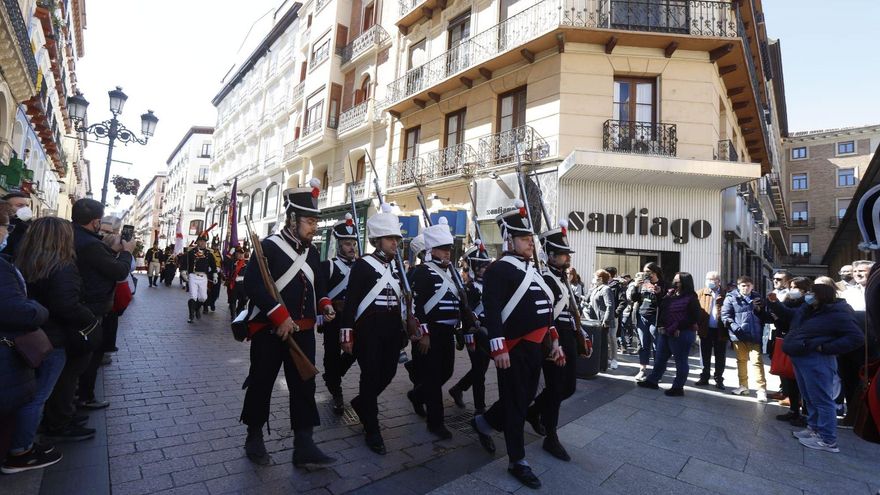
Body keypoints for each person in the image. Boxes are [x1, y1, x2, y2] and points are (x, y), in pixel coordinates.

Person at [240, 180, 336, 467]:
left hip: (303, 331)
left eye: (315, 221)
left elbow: (319, 284)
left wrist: (324, 304)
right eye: (309, 221)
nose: (314, 227)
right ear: (292, 220)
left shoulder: (313, 252)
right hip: (270, 331)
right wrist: (279, 316)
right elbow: (253, 286)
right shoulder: (268, 247)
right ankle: (254, 436)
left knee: (305, 387)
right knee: (261, 383)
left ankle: (304, 445)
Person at [470, 200, 560, 489]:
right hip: (512, 348)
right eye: (524, 239)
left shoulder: (532, 270)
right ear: (509, 239)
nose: (530, 244)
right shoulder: (499, 270)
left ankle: (483, 423)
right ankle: (517, 460)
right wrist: (498, 348)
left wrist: (553, 341)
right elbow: (492, 310)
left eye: (530, 239)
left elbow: (546, 309)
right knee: (516, 405)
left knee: (523, 398)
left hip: (534, 348)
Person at [45, 200, 133, 440]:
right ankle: (60, 421)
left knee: (71, 367)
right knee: (73, 368)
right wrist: (127, 252)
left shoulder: (70, 236)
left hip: (76, 306)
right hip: (84, 309)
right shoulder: (90, 244)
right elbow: (118, 272)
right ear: (95, 221)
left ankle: (65, 412)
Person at [340, 203, 406, 455]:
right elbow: (352, 301)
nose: (394, 243)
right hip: (368, 330)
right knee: (369, 376)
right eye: (390, 238)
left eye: (396, 238)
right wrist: (346, 333)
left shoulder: (397, 267)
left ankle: (361, 404)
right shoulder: (363, 265)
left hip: (391, 329)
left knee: (387, 373)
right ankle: (372, 428)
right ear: (377, 240)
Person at [769, 284, 862, 453]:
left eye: (812, 292)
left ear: (822, 296)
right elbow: (791, 315)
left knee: (822, 399)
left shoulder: (838, 313)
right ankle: (814, 429)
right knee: (809, 397)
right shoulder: (807, 308)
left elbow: (856, 337)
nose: (808, 295)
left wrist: (825, 348)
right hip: (800, 357)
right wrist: (774, 303)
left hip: (818, 360)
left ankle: (828, 439)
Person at [0, 201, 53, 473]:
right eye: (5, 225)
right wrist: (37, 309)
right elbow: (16, 309)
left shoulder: (12, 257)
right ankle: (20, 451)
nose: (8, 231)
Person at [527, 220, 580, 461]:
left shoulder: (562, 277)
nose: (566, 258)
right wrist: (552, 341)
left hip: (567, 336)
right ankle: (551, 436)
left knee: (568, 387)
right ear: (549, 255)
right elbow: (544, 312)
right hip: (552, 338)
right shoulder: (543, 277)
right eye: (562, 254)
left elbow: (571, 310)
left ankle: (535, 411)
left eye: (566, 254)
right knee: (557, 387)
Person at [407, 217, 463, 440]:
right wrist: (423, 334)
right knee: (432, 377)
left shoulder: (453, 273)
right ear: (431, 250)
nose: (447, 252)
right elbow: (415, 305)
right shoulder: (422, 272)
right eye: (442, 249)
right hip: (431, 332)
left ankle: (417, 395)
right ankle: (436, 423)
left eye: (448, 248)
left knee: (446, 372)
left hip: (448, 332)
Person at [448, 240, 493, 417]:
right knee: (479, 371)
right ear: (474, 268)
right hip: (474, 334)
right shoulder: (470, 288)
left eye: (485, 266)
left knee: (479, 369)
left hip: (487, 332)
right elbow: (466, 314)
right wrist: (470, 336)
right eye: (481, 267)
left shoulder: (490, 286)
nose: (484, 269)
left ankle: (458, 388)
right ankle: (480, 409)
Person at [637, 272, 701, 396]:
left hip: (681, 333)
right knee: (660, 357)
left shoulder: (691, 298)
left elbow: (695, 316)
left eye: (678, 281)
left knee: (681, 361)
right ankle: (653, 380)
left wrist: (679, 326)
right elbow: (663, 308)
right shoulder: (670, 294)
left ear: (684, 283)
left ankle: (678, 387)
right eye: (674, 280)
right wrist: (660, 294)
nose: (675, 283)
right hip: (666, 331)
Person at [321, 214, 359, 415]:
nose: (352, 247)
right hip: (334, 320)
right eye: (347, 244)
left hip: (354, 320)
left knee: (357, 350)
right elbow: (321, 293)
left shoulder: (361, 266)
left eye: (353, 243)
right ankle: (337, 394)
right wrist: (331, 305)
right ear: (338, 245)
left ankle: (333, 375)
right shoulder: (329, 266)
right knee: (331, 357)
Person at [766, 276, 812, 426]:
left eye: (795, 287)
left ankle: (805, 413)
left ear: (805, 290)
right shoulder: (788, 301)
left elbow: (792, 317)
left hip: (801, 345)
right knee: (788, 378)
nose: (792, 290)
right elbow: (782, 320)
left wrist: (776, 305)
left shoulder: (807, 304)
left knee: (802, 382)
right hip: (786, 341)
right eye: (791, 287)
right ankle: (793, 410)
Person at [721, 276, 769, 401]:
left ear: (752, 286)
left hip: (754, 334)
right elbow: (725, 316)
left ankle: (761, 389)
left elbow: (764, 315)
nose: (745, 288)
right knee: (741, 360)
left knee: (757, 361)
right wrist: (735, 328)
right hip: (738, 335)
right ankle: (743, 386)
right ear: (738, 286)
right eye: (743, 285)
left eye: (748, 285)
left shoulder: (757, 297)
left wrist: (760, 309)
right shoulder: (731, 297)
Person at [633, 262, 666, 381]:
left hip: (655, 317)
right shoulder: (643, 283)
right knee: (643, 344)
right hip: (642, 315)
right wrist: (636, 286)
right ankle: (642, 370)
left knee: (656, 345)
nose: (646, 274)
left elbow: (665, 301)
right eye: (644, 272)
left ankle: (657, 372)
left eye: (648, 272)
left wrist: (658, 292)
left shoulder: (662, 284)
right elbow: (634, 298)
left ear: (654, 272)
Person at [695, 271, 727, 390]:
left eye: (712, 279)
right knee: (705, 354)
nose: (710, 281)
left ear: (718, 281)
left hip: (721, 330)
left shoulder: (726, 294)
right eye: (708, 279)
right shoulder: (700, 293)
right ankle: (704, 377)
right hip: (705, 329)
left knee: (720, 356)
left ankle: (719, 379)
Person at [184, 233, 218, 323]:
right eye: (201, 241)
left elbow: (214, 266)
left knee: (203, 297)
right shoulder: (191, 252)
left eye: (204, 241)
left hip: (203, 277)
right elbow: (185, 262)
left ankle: (196, 308)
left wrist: (215, 275)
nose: (203, 243)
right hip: (193, 276)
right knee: (193, 296)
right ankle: (191, 316)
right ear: (197, 242)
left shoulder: (208, 253)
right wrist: (183, 272)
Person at [588, 269, 617, 370]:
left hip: (602, 322)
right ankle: (598, 364)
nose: (593, 279)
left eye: (595, 277)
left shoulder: (606, 289)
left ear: (600, 278)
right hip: (595, 322)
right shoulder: (596, 289)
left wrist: (606, 321)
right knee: (598, 344)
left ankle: (602, 366)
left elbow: (610, 306)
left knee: (603, 345)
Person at [0, 192, 33, 259]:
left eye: (26, 205)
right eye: (20, 205)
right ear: (6, 208)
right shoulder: (4, 227)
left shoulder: (30, 228)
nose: (25, 208)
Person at [620, 272, 644, 354]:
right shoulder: (634, 285)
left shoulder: (633, 285)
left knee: (634, 328)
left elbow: (629, 297)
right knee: (635, 328)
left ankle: (636, 346)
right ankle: (637, 346)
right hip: (633, 309)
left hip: (633, 309)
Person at [226, 247, 249, 319]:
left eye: (242, 254)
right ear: (235, 254)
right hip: (234, 283)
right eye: (238, 254)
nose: (240, 255)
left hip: (243, 284)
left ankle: (239, 309)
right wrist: (230, 253)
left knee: (244, 299)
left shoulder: (247, 262)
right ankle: (233, 315)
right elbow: (225, 262)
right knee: (233, 300)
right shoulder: (232, 261)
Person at [204, 237, 224, 312]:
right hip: (209, 273)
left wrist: (221, 269)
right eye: (214, 245)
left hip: (217, 274)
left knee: (216, 291)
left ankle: (212, 302)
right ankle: (205, 306)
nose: (215, 246)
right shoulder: (208, 252)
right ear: (212, 245)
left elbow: (222, 263)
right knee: (208, 290)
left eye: (217, 245)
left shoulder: (220, 253)